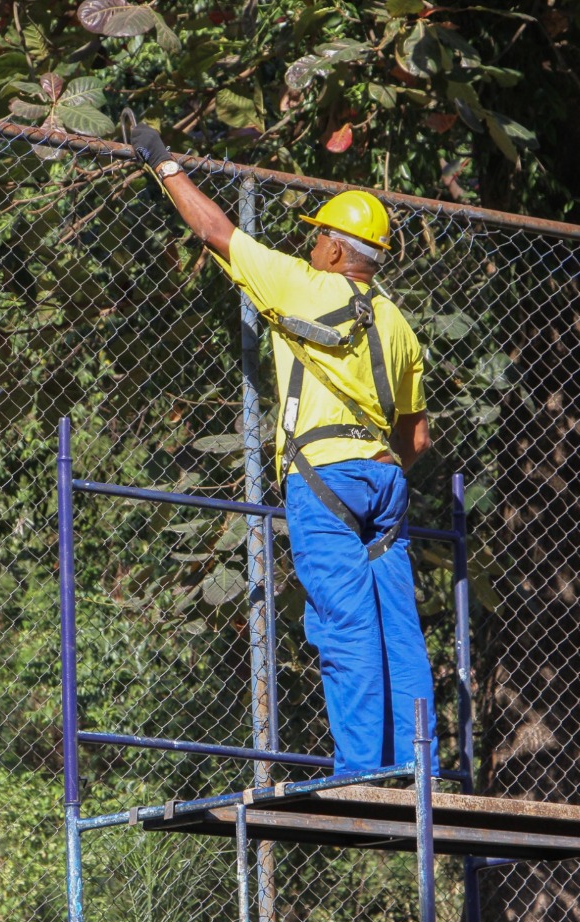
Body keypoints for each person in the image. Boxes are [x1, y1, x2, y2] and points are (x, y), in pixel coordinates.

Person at [127, 123, 436, 776]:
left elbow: (216, 232)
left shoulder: (302, 286)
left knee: (344, 626)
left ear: (334, 249)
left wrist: (163, 162)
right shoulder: (399, 324)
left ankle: (360, 771)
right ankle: (418, 768)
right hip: (384, 481)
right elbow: (418, 438)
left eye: (318, 234)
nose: (311, 241)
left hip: (323, 480)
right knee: (399, 628)